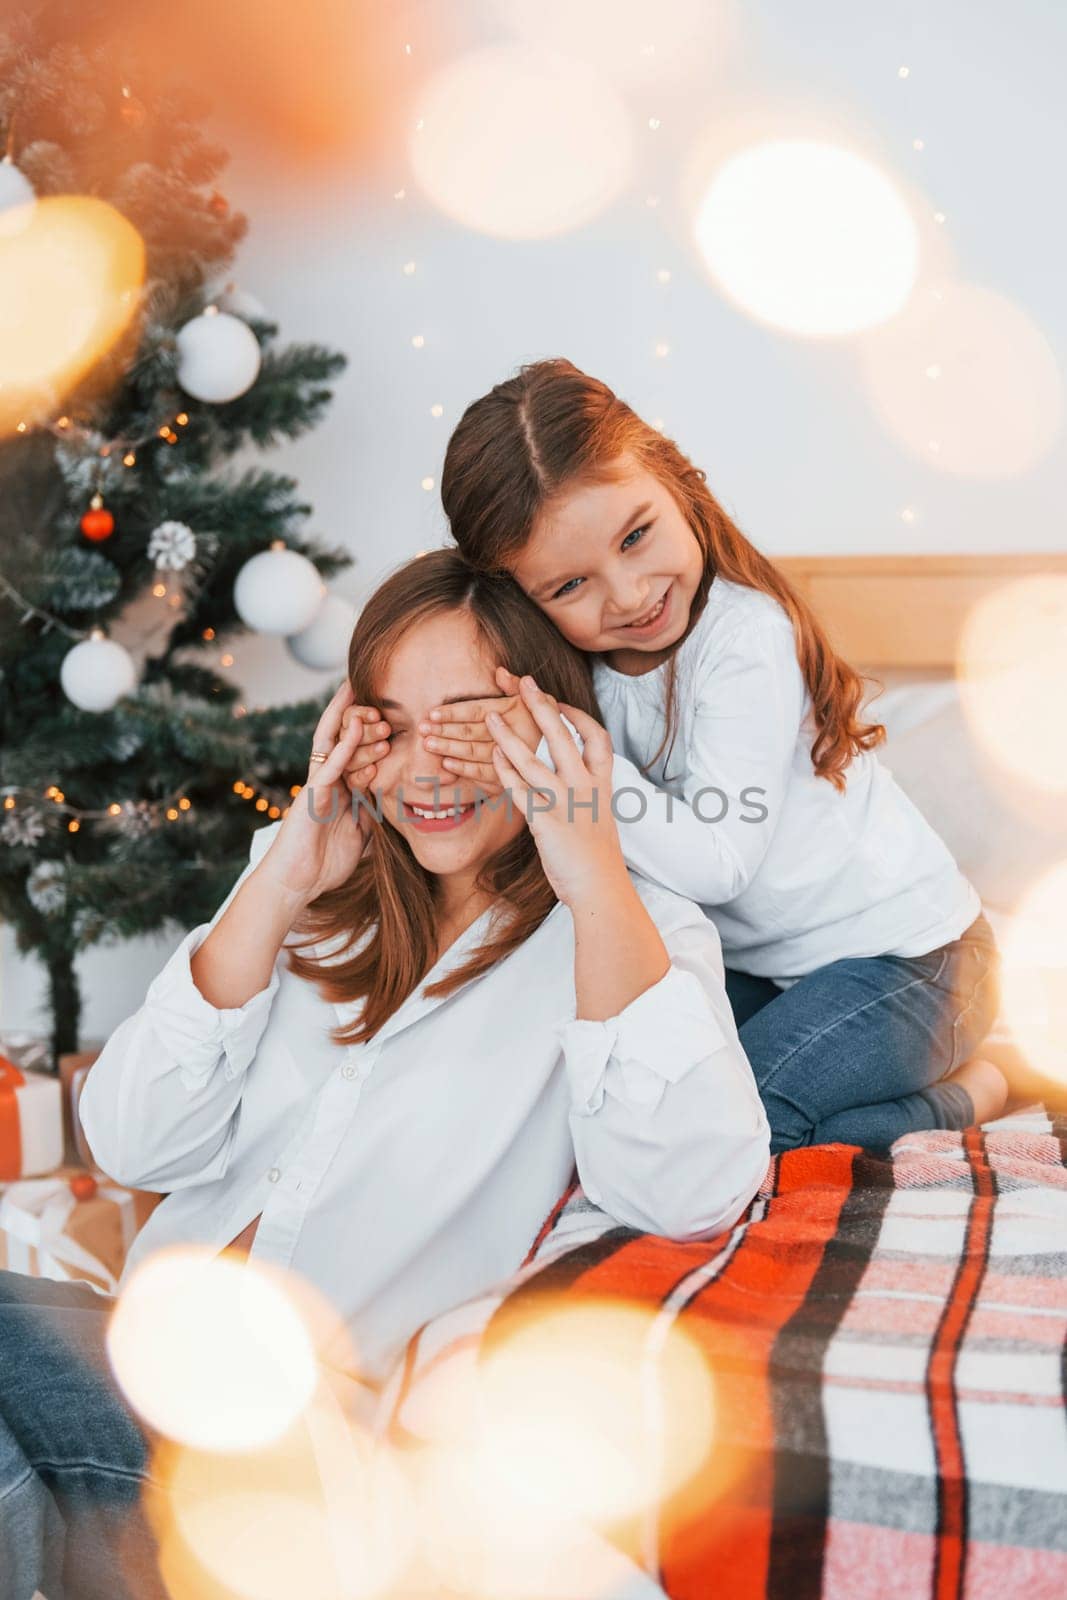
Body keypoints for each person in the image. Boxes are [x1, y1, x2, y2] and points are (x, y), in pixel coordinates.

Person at [1, 550, 769, 1600]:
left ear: (556, 728)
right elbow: (133, 1140)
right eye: (392, 725)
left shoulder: (625, 929)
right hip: (140, 1367)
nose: (424, 770)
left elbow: (692, 1188)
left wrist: (588, 860)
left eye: (469, 724)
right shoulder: (308, 889)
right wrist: (280, 878)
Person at [379, 357, 1006, 1152]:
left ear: (678, 484)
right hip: (764, 968)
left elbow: (717, 866)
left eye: (636, 536)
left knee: (739, 1131)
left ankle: (968, 1092)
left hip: (914, 960)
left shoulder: (744, 641)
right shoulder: (570, 674)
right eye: (569, 586)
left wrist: (581, 764)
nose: (630, 594)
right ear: (522, 597)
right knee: (628, 1095)